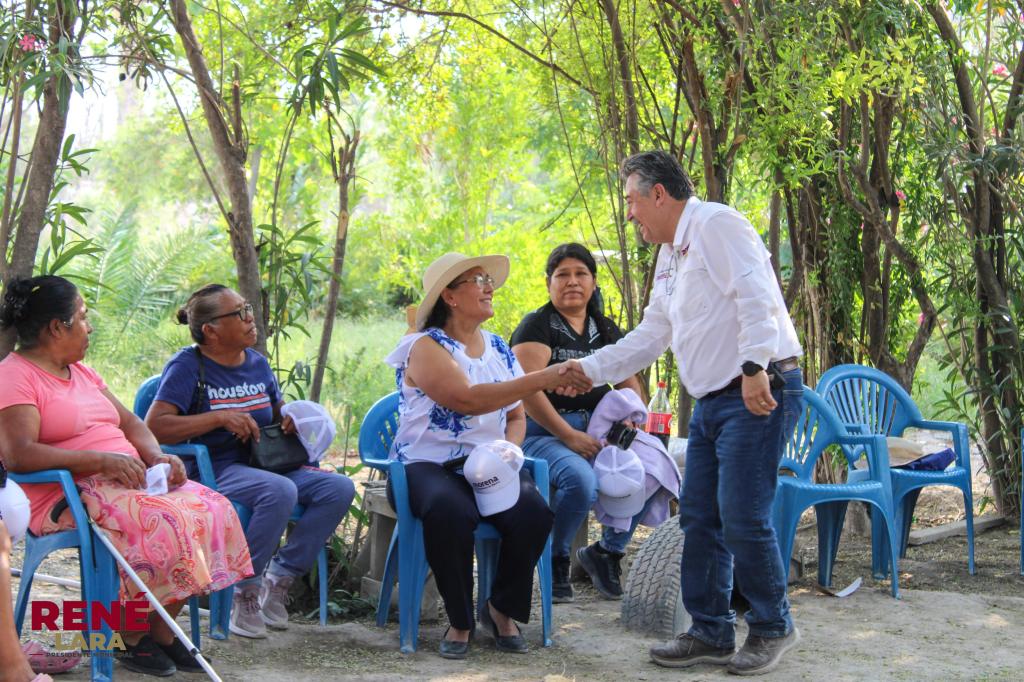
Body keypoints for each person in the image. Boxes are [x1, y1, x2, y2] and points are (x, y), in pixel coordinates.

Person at [566, 151, 804, 676]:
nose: (629, 214)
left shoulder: (718, 225)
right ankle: (711, 630)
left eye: (632, 200)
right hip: (714, 399)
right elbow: (653, 334)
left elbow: (757, 296)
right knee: (699, 517)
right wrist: (589, 367)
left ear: (658, 194)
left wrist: (753, 366)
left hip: (756, 387)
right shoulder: (670, 254)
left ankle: (772, 626)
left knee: (743, 515)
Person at [0, 275, 253, 677]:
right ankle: (129, 636)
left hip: (123, 478)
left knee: (211, 509)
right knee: (165, 522)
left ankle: (161, 629)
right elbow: (19, 454)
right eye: (82, 318)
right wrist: (100, 462)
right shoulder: (16, 376)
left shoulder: (81, 372)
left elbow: (132, 422)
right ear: (56, 327)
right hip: (68, 491)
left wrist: (156, 457)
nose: (90, 326)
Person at [385, 252, 588, 659]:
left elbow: (515, 413)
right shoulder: (424, 347)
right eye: (477, 280)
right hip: (425, 467)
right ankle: (459, 620)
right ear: (450, 296)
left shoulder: (497, 347)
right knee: (450, 510)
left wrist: (508, 451)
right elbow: (467, 400)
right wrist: (545, 377)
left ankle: (499, 609)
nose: (488, 286)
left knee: (534, 512)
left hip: (487, 462)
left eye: (487, 280)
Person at [145, 284, 356, 639]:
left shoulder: (257, 363)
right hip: (216, 467)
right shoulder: (188, 366)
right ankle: (245, 589)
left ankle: (280, 578)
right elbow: (155, 425)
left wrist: (290, 416)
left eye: (247, 309)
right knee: (280, 491)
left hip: (265, 461)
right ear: (211, 330)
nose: (250, 318)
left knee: (338, 487)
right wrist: (218, 417)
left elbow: (273, 413)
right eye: (238, 314)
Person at [510, 243, 648, 602]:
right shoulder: (537, 326)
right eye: (562, 275)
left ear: (593, 282)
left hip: (597, 432)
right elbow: (527, 391)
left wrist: (634, 420)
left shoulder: (604, 329)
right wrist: (568, 435)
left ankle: (607, 552)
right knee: (581, 482)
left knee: (648, 470)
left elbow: (631, 384)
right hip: (543, 433)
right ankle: (556, 557)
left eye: (580, 274)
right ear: (548, 283)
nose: (572, 282)